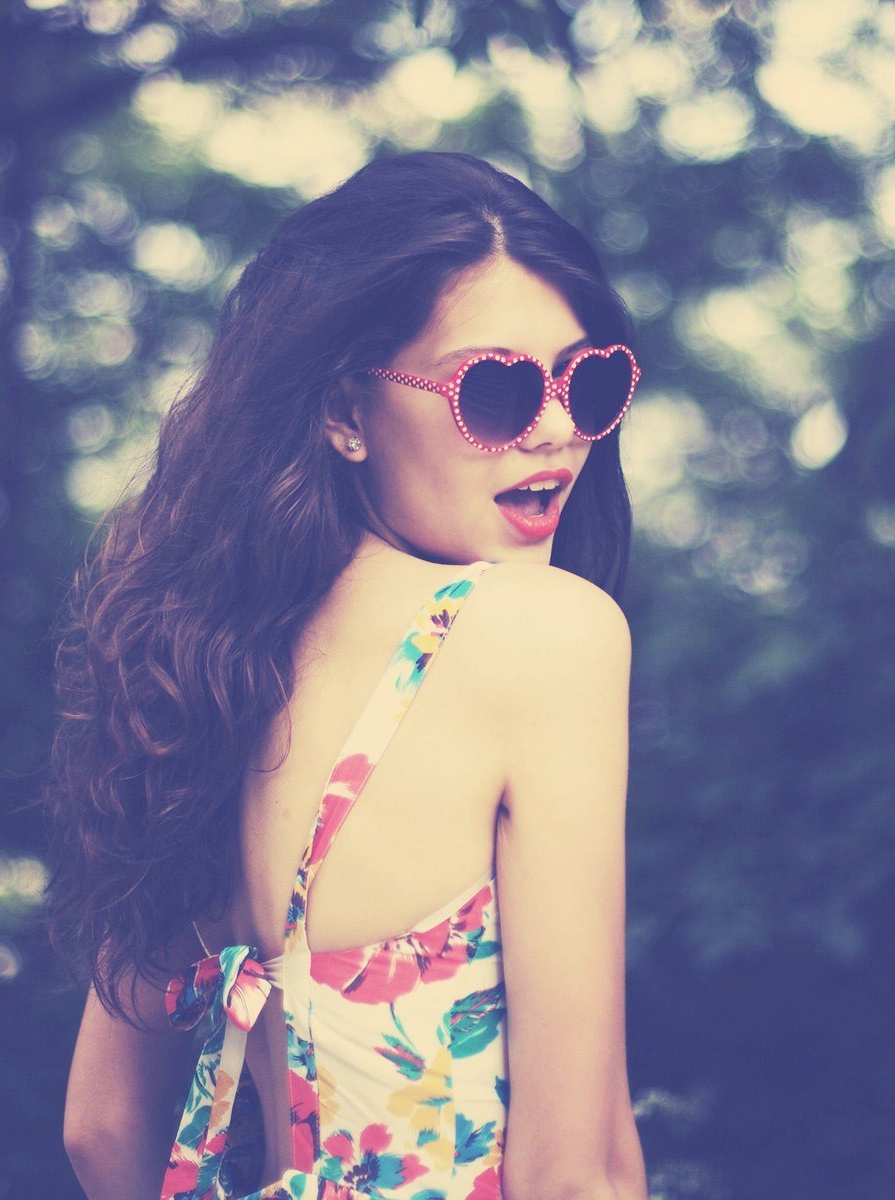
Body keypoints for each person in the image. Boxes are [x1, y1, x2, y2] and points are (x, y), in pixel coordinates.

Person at [40, 150, 649, 1200]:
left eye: (586, 381)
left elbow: (102, 1128)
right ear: (344, 414)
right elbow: (575, 1175)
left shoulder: (205, 676)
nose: (557, 428)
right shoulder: (546, 634)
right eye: (494, 389)